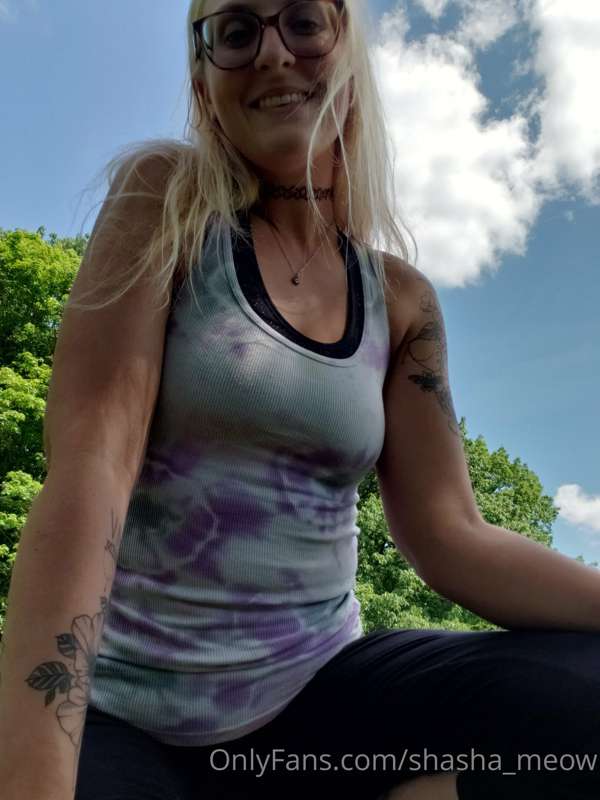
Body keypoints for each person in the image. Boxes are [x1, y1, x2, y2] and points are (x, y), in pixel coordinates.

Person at [1, 1, 600, 799]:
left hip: (323, 705)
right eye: (236, 32)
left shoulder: (401, 301)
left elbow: (451, 537)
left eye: (304, 22)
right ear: (203, 78)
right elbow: (92, 470)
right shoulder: (165, 204)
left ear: (347, 48)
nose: (273, 52)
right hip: (137, 719)